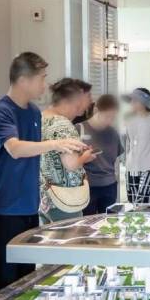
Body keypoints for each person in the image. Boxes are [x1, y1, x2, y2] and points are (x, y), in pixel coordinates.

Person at [0, 52, 86, 295]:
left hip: (29, 207)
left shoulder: (33, 111)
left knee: (26, 278)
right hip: (4, 207)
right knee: (2, 281)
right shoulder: (0, 110)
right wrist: (55, 144)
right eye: (41, 78)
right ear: (23, 80)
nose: (45, 84)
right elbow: (15, 149)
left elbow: (33, 154)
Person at [40, 79, 96, 224]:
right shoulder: (63, 124)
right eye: (77, 105)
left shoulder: (41, 118)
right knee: (70, 235)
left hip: (45, 197)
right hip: (65, 199)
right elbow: (70, 164)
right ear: (69, 102)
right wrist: (85, 157)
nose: (79, 110)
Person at [77, 94, 124, 215]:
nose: (109, 121)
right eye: (107, 116)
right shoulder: (78, 130)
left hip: (109, 187)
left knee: (110, 222)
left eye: (113, 117)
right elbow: (69, 163)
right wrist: (83, 157)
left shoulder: (113, 133)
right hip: (87, 187)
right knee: (87, 223)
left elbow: (115, 159)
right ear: (96, 110)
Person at [122, 88, 150, 204]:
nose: (132, 103)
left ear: (144, 102)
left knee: (143, 202)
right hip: (132, 168)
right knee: (132, 202)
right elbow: (128, 142)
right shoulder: (129, 119)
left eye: (135, 100)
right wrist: (126, 161)